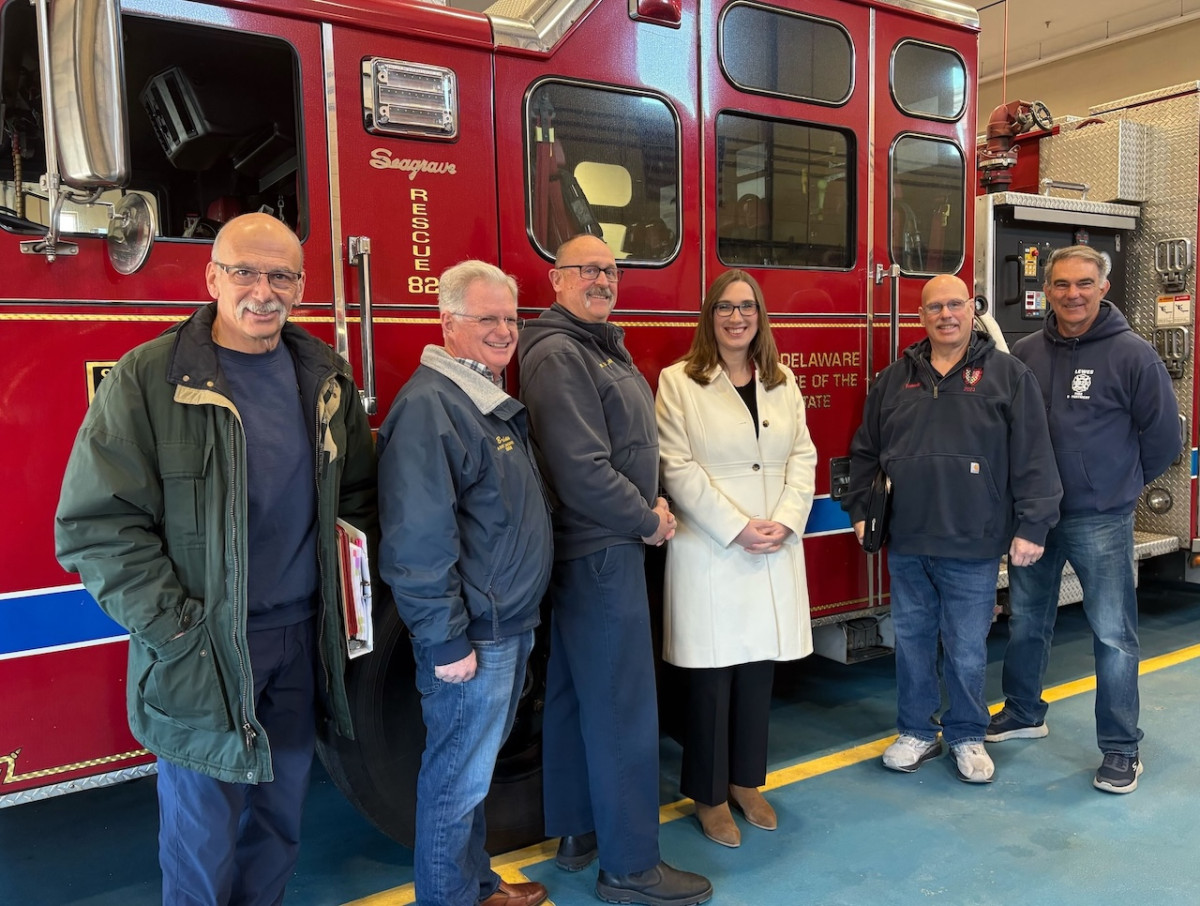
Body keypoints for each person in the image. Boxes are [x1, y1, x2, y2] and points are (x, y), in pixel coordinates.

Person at [54, 212, 378, 904]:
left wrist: (348, 606)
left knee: (280, 820)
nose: (263, 291)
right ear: (211, 279)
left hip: (300, 642)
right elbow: (95, 525)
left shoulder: (324, 378)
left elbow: (358, 495)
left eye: (281, 275)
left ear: (301, 284)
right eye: (244, 272)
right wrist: (176, 629)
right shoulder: (150, 378)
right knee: (201, 837)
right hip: (203, 648)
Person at [518, 234, 713, 906]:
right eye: (587, 270)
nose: (602, 280)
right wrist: (647, 518)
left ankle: (577, 832)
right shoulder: (559, 353)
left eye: (610, 270)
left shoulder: (594, 345)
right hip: (602, 548)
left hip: (594, 549)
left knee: (575, 697)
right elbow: (581, 468)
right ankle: (632, 868)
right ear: (555, 280)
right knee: (624, 707)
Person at [376, 261, 552, 906]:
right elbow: (419, 543)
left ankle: (474, 886)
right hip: (477, 631)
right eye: (488, 319)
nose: (505, 331)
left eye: (510, 318)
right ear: (448, 323)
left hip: (505, 623)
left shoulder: (477, 398)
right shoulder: (433, 406)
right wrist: (447, 641)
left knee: (471, 776)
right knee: (456, 779)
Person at [843, 274, 1061, 784]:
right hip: (908, 538)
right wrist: (859, 510)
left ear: (972, 310)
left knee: (966, 647)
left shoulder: (1009, 375)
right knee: (914, 642)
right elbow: (865, 451)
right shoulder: (895, 379)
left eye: (955, 305)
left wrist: (1033, 525)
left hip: (974, 541)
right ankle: (917, 731)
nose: (946, 314)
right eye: (934, 306)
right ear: (920, 317)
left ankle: (966, 735)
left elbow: (1034, 456)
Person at [987, 245, 1180, 794]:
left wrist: (1118, 485)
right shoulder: (1025, 353)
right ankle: (1024, 712)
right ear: (1047, 290)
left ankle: (1121, 748)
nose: (1073, 293)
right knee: (1027, 620)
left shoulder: (1133, 355)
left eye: (1085, 283)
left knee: (1113, 635)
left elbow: (1164, 437)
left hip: (1101, 517)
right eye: (1063, 284)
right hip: (1036, 519)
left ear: (1104, 287)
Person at [655, 270, 817, 848]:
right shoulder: (678, 382)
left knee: (757, 673)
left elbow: (803, 453)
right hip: (712, 550)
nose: (736, 317)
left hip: (771, 545)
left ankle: (748, 783)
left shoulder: (782, 380)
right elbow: (675, 465)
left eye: (746, 307)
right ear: (709, 316)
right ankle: (709, 795)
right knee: (710, 680)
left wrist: (786, 518)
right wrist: (736, 527)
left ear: (760, 316)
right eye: (725, 307)